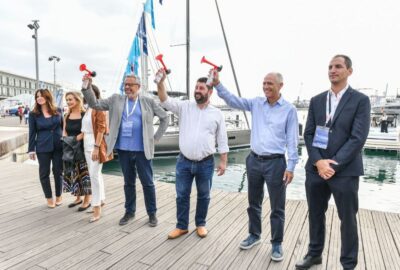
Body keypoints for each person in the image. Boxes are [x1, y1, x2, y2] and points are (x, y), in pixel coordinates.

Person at [212, 71, 298, 261]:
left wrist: (291, 166)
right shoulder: (257, 103)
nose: (266, 87)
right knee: (253, 202)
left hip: (276, 163)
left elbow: (292, 141)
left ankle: (276, 243)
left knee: (277, 206)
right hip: (254, 160)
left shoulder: (289, 110)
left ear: (280, 86)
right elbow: (234, 101)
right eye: (264, 83)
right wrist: (218, 84)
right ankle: (254, 235)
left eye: (270, 84)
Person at [295, 55, 370, 270]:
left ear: (349, 71)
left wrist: (332, 165)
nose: (333, 70)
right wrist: (319, 162)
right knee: (316, 214)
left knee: (347, 219)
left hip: (345, 171)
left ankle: (348, 264)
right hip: (316, 169)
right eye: (330, 67)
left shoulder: (360, 101)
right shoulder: (317, 100)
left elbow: (358, 138)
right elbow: (308, 134)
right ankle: (314, 254)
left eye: (338, 66)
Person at [81, 74, 168, 227]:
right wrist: (87, 86)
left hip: (142, 150)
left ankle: (152, 213)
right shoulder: (116, 99)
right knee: (128, 182)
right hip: (123, 150)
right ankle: (129, 212)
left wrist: (155, 139)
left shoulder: (148, 101)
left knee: (147, 183)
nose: (127, 87)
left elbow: (165, 118)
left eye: (131, 84)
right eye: (125, 84)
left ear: (138, 87)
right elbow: (94, 104)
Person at [156, 69, 229, 239]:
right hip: (184, 161)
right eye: (196, 87)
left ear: (210, 92)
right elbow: (164, 100)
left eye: (201, 88)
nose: (197, 90)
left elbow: (222, 139)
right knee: (182, 195)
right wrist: (161, 82)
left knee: (204, 195)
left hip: (206, 162)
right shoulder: (184, 107)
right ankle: (181, 226)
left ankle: (200, 224)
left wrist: (223, 161)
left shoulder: (217, 114)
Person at [81, 85, 113, 222]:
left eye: (91, 92)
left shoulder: (98, 107)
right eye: (87, 92)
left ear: (96, 93)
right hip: (86, 142)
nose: (89, 95)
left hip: (94, 144)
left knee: (93, 176)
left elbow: (101, 128)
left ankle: (96, 209)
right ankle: (101, 200)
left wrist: (96, 147)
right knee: (96, 175)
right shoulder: (88, 108)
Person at [28, 89, 63, 208]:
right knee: (44, 173)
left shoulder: (58, 110)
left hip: (59, 145)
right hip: (43, 146)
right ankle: (49, 197)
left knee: (58, 171)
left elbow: (63, 127)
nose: (39, 98)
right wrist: (31, 149)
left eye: (41, 96)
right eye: (37, 96)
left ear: (47, 97)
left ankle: (59, 195)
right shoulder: (33, 114)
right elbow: (32, 133)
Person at [63, 92, 92, 212]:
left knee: (83, 173)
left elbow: (86, 131)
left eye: (71, 99)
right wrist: (67, 140)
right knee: (73, 172)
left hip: (81, 146)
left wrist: (74, 140)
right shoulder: (66, 115)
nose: (68, 102)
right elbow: (64, 130)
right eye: (67, 100)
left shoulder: (84, 114)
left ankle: (87, 200)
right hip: (69, 146)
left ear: (77, 100)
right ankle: (78, 198)